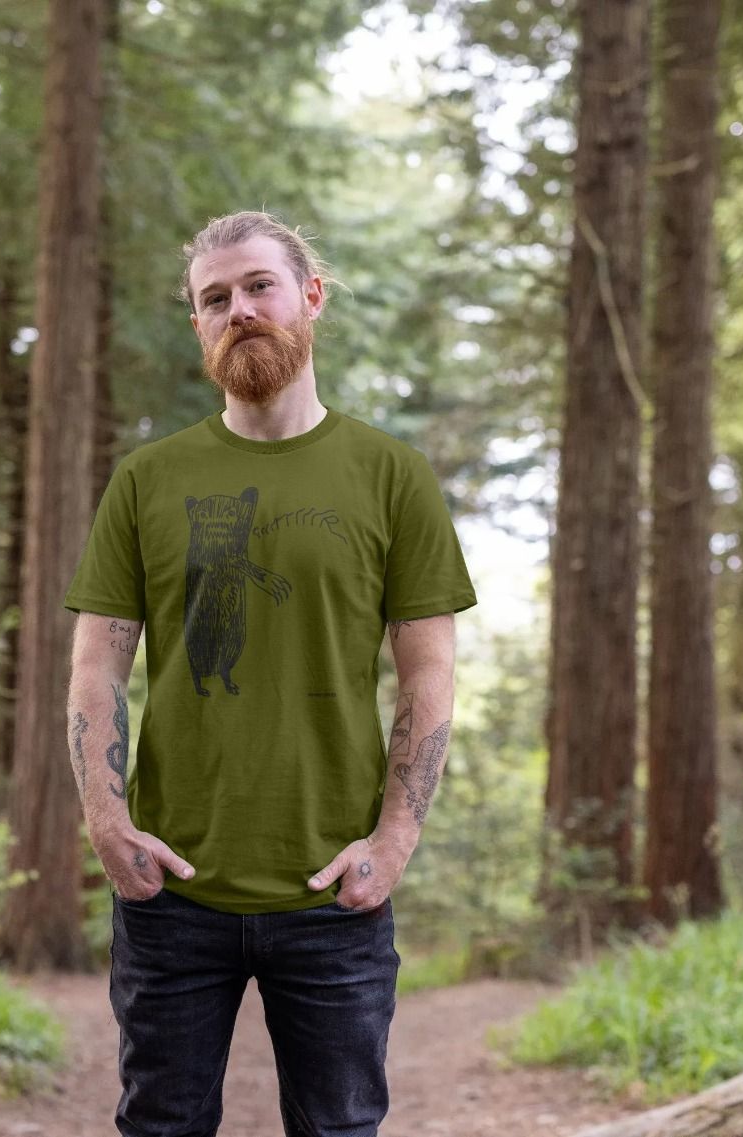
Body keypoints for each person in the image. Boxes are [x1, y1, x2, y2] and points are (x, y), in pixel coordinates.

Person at [63, 210, 478, 1137]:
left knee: (338, 1129)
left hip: (337, 888)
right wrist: (106, 818)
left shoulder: (392, 475)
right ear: (199, 326)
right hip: (172, 887)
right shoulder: (147, 479)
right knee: (160, 1125)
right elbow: (98, 662)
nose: (239, 309)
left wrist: (395, 839)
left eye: (259, 287)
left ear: (311, 297)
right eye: (215, 299)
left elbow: (430, 671)